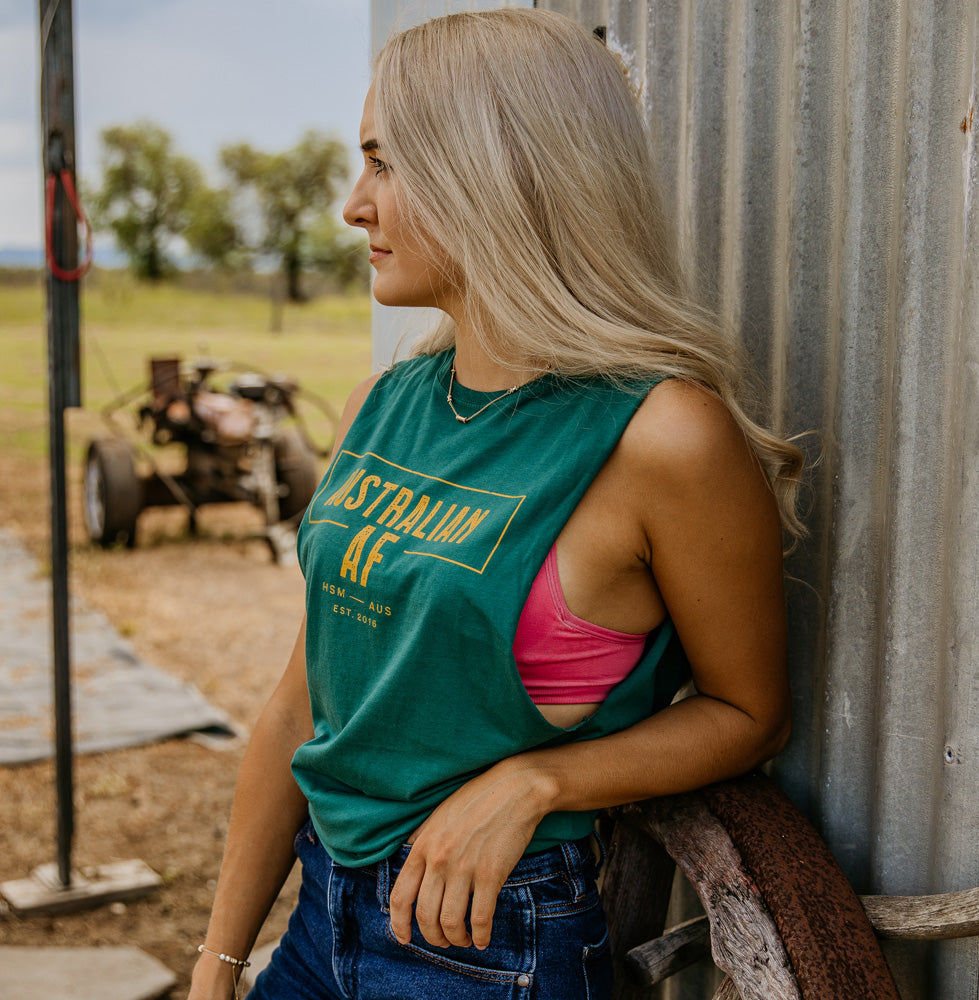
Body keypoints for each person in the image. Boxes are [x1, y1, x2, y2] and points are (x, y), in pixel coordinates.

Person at [187, 9, 804, 1000]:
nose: (355, 205)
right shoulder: (379, 408)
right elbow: (299, 704)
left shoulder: (662, 436)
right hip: (319, 915)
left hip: (489, 938)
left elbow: (747, 713)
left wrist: (541, 778)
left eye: (385, 163)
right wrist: (217, 962)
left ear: (494, 173)